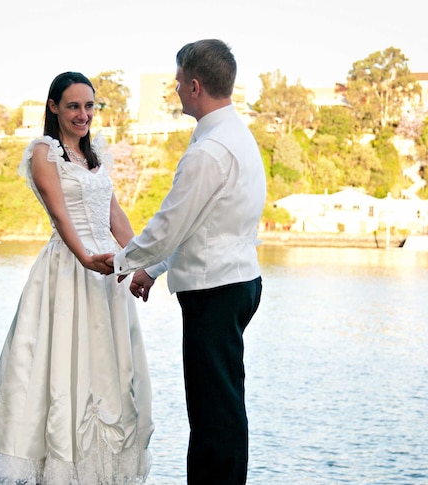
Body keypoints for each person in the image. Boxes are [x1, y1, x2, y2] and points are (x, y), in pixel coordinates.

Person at [0, 71, 153, 485]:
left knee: (105, 368)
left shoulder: (97, 157)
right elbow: (59, 213)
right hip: (69, 268)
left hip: (107, 272)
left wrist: (142, 263)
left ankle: (96, 469)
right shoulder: (44, 152)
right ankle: (54, 467)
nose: (83, 114)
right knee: (60, 365)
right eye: (73, 105)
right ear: (54, 107)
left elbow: (115, 217)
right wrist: (85, 258)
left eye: (89, 106)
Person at [107, 39, 266, 484]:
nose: (175, 90)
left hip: (214, 290)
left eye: (177, 82)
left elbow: (170, 224)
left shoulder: (208, 151)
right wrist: (153, 269)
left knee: (214, 410)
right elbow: (203, 223)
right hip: (237, 280)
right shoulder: (236, 134)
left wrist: (121, 261)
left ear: (194, 86)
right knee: (223, 402)